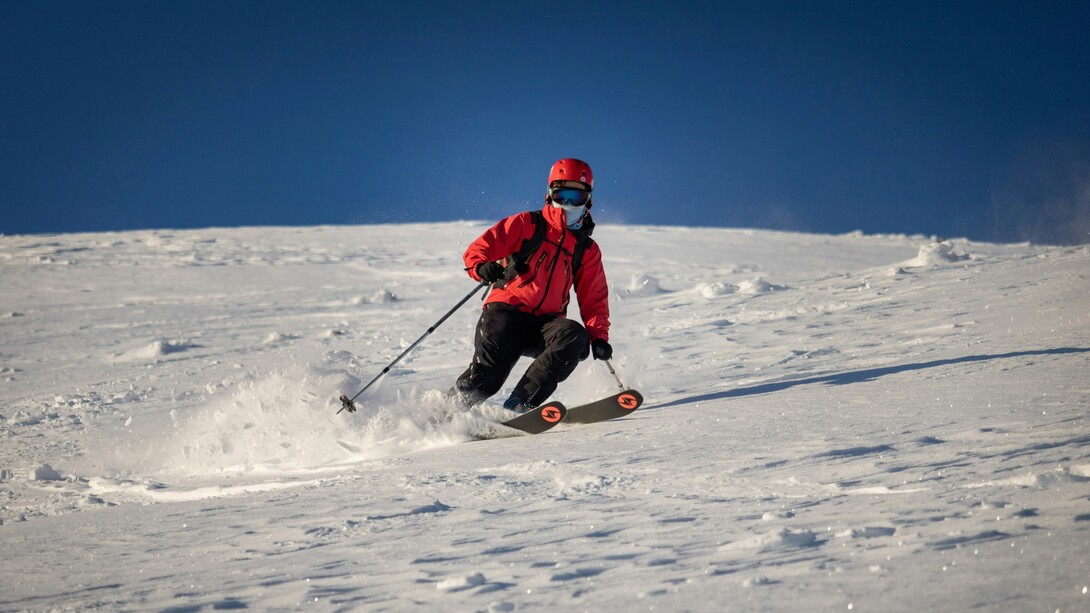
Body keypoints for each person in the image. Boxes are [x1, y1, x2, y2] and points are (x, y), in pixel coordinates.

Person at [453, 158, 614, 412]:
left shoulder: (586, 250)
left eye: (576, 197)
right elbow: (482, 248)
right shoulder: (528, 224)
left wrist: (599, 337)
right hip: (506, 315)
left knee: (574, 337)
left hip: (544, 325)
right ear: (549, 195)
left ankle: (519, 405)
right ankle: (442, 415)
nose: (568, 204)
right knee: (487, 380)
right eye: (562, 195)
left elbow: (594, 297)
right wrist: (481, 266)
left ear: (588, 200)